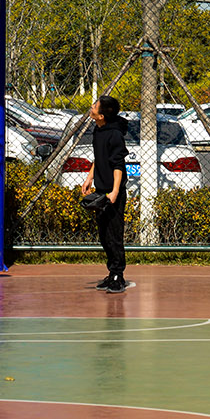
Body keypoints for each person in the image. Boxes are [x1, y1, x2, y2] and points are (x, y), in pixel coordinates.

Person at [81, 95, 129, 293]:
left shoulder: (115, 134)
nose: (91, 107)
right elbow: (98, 157)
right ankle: (111, 272)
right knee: (103, 235)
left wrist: (115, 190)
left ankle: (118, 275)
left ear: (101, 115)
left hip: (113, 192)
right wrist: (89, 178)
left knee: (114, 234)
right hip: (101, 190)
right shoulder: (98, 130)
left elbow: (118, 164)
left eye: (95, 106)